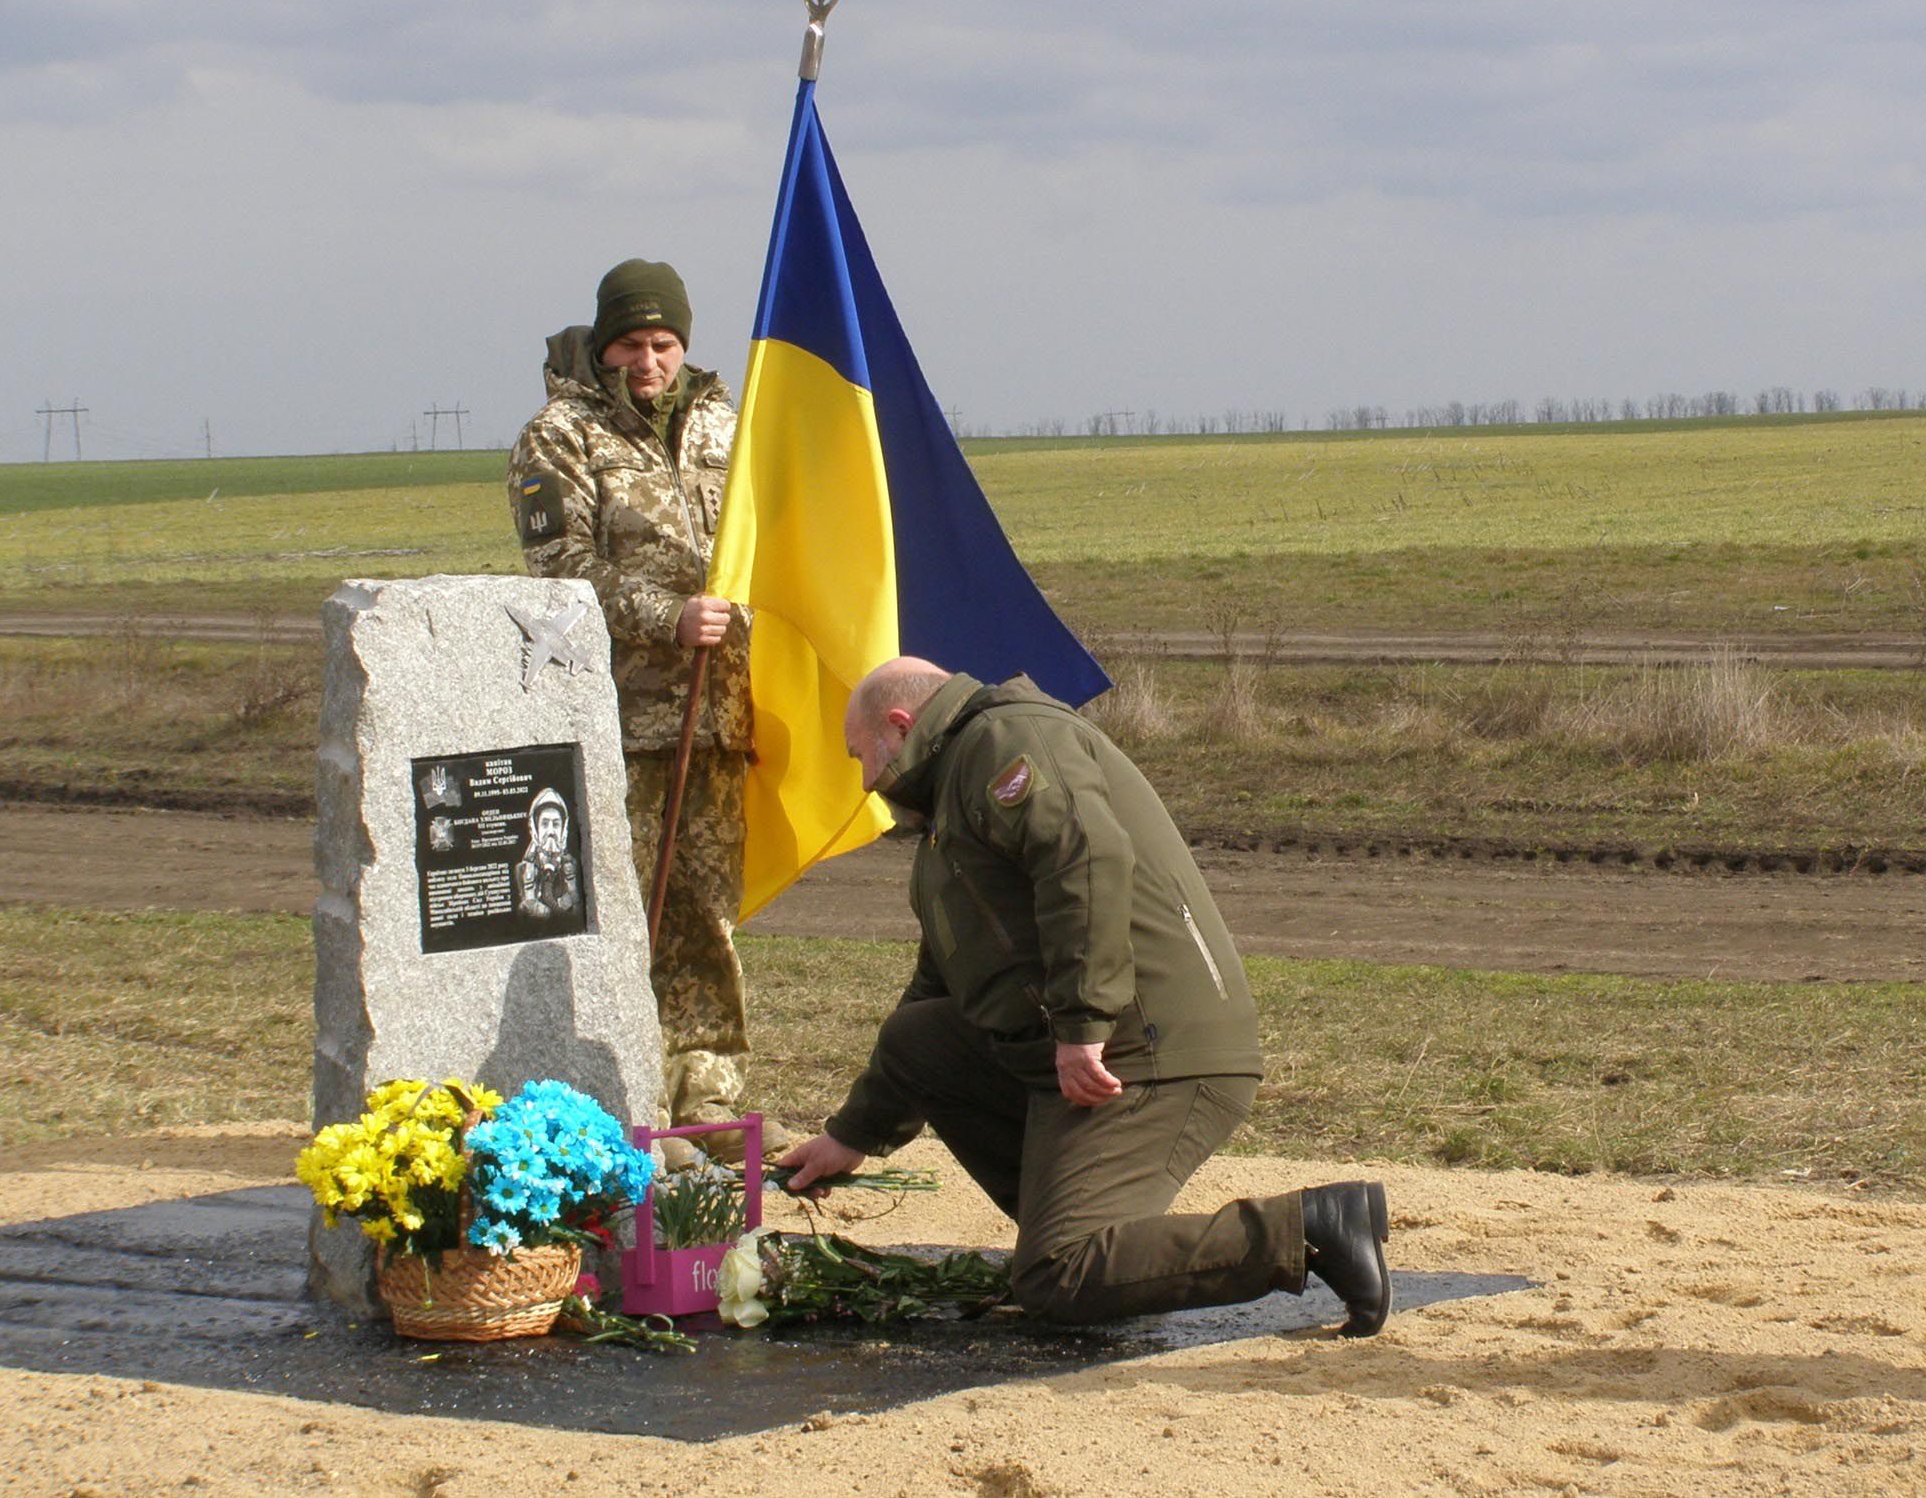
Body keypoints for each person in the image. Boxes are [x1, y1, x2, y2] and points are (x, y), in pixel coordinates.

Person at [778, 657, 1393, 1332]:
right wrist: (852, 1134)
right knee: (917, 1039)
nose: (865, 779)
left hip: (1151, 1050)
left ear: (899, 725)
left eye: (860, 755)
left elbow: (1087, 855)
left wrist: (1081, 1023)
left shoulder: (1007, 743)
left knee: (1055, 1276)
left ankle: (1307, 1229)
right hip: (1095, 1044)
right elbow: (941, 983)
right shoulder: (953, 797)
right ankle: (1100, 1235)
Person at [506, 259, 785, 1159]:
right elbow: (559, 574)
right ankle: (626, 1100)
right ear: (602, 344)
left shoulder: (727, 426)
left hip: (718, 716)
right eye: (631, 343)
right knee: (621, 913)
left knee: (705, 912)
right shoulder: (559, 437)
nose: (650, 361)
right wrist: (665, 618)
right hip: (618, 719)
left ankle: (707, 1099)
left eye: (665, 343)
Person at [514, 788, 580, 922]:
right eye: (544, 824)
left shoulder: (573, 867)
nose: (551, 832)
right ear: (535, 829)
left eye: (556, 824)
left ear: (563, 829)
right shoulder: (522, 871)